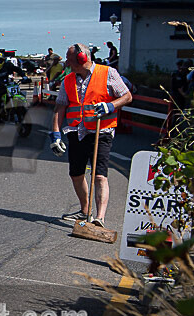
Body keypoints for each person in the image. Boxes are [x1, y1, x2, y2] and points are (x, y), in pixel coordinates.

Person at [49, 43, 132, 226]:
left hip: (101, 131)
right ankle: (85, 211)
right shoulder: (68, 80)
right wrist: (55, 134)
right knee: (76, 174)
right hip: (76, 132)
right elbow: (60, 107)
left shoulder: (107, 73)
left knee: (99, 175)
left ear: (82, 59)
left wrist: (110, 106)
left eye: (70, 60)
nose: (67, 64)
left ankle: (99, 219)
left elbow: (127, 96)